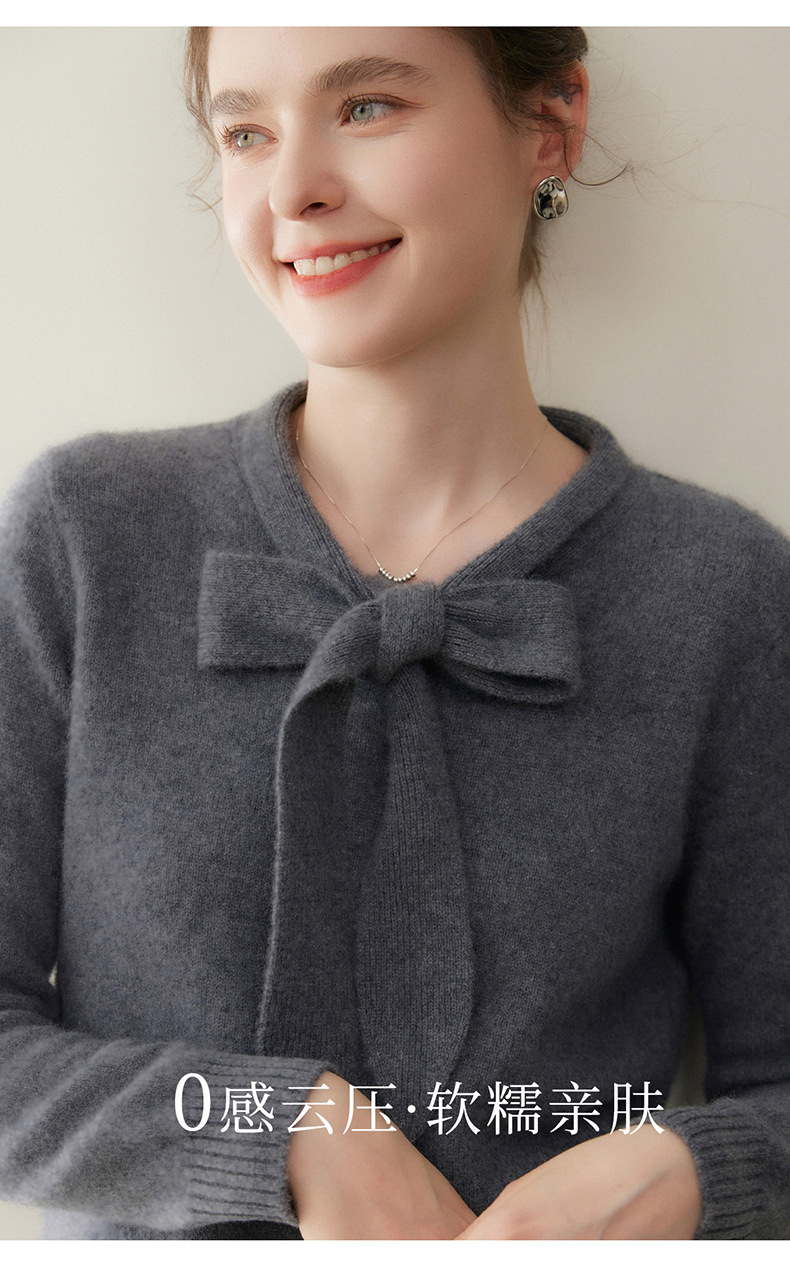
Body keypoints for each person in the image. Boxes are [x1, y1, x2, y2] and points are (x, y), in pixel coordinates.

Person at [0, 25, 788, 1241]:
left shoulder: (717, 592)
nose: (292, 190)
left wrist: (691, 1169)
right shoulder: (88, 537)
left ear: (550, 124)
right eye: (245, 131)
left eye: (366, 106)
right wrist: (281, 1134)